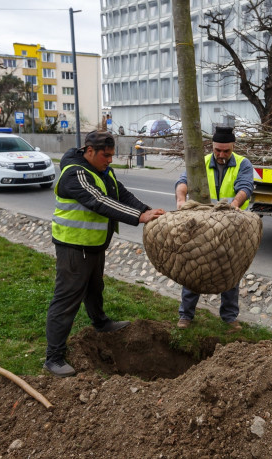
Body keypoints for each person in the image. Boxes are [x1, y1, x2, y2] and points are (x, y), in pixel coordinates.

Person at [45, 130, 165, 377]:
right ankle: (53, 357)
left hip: (93, 244)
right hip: (73, 246)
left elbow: (120, 193)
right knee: (67, 299)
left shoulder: (102, 171)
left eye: (112, 155)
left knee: (94, 288)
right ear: (89, 151)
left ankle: (101, 323)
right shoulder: (75, 175)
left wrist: (146, 210)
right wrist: (138, 217)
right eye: (106, 155)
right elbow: (99, 201)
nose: (110, 160)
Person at [174, 126, 254, 332]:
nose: (221, 155)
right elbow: (184, 181)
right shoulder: (202, 162)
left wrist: (234, 205)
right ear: (213, 147)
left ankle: (229, 317)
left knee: (230, 271)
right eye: (218, 150)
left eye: (226, 151)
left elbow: (245, 187)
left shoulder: (243, 164)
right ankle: (186, 315)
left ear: (233, 147)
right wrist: (181, 199)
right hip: (203, 224)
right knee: (194, 268)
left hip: (231, 226)